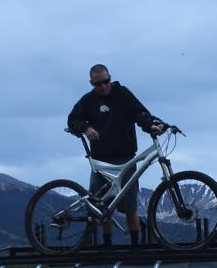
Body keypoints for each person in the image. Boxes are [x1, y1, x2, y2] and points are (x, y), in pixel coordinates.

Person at [66, 64, 166, 247]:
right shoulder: (88, 101)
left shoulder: (123, 94)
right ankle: (107, 245)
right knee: (102, 205)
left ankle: (135, 245)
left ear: (110, 78)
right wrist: (85, 128)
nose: (103, 86)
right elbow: (72, 119)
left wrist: (150, 125)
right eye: (98, 84)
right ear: (91, 83)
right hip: (101, 159)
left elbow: (139, 113)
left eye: (106, 81)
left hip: (126, 156)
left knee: (130, 204)